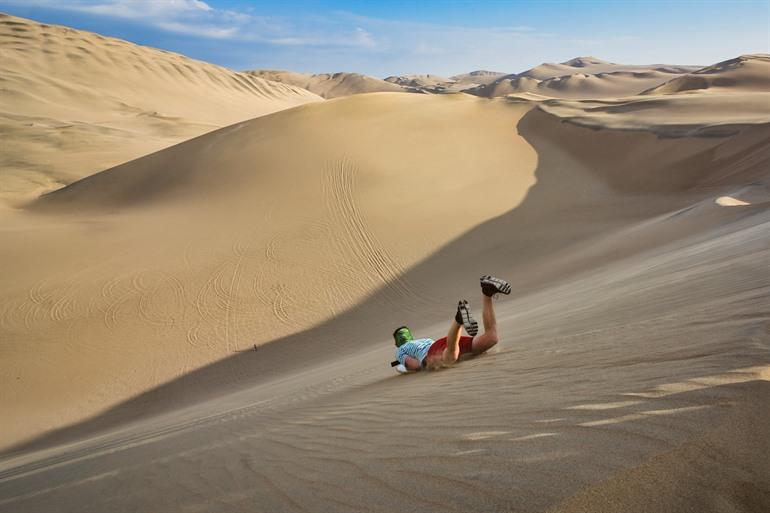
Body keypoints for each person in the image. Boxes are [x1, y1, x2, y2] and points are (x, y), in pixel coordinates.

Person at [392, 275, 511, 372]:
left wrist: (406, 367)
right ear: (410, 336)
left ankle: (458, 320)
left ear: (397, 343)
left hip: (435, 351)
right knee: (491, 338)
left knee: (450, 358)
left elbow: (415, 366)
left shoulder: (400, 350)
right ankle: (487, 292)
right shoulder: (422, 340)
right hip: (444, 341)